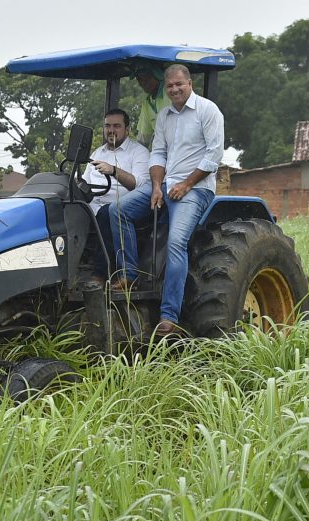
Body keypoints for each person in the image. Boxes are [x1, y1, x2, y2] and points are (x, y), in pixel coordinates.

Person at [109, 64, 224, 335]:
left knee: (175, 243)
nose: (174, 89)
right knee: (118, 211)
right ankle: (129, 275)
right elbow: (158, 153)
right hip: (166, 185)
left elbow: (213, 155)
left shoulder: (208, 111)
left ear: (189, 83)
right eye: (170, 86)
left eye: (179, 84)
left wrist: (186, 184)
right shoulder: (164, 116)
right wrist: (157, 186)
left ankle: (169, 314)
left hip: (196, 189)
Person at [81, 108, 150, 284]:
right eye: (107, 126)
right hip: (93, 205)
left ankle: (100, 274)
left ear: (127, 129)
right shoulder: (97, 153)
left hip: (123, 208)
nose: (111, 130)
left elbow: (140, 184)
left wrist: (113, 170)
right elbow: (83, 182)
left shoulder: (139, 152)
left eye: (117, 126)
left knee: (107, 212)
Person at [133, 67, 171, 148]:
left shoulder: (171, 94)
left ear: (158, 76)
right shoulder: (147, 103)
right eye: (138, 78)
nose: (141, 82)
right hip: (160, 152)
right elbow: (143, 138)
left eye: (145, 77)